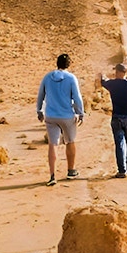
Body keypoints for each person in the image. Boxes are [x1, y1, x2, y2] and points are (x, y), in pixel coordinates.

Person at [36, 53, 85, 186]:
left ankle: (52, 175)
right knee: (70, 141)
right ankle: (71, 170)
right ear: (68, 64)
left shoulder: (47, 77)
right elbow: (77, 97)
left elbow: (40, 95)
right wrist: (81, 113)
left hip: (51, 116)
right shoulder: (71, 78)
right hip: (67, 116)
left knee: (53, 144)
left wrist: (39, 110)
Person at [99, 63, 127, 178]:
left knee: (119, 143)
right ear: (125, 73)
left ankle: (121, 170)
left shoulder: (112, 84)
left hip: (117, 117)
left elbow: (103, 82)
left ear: (117, 72)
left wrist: (102, 75)